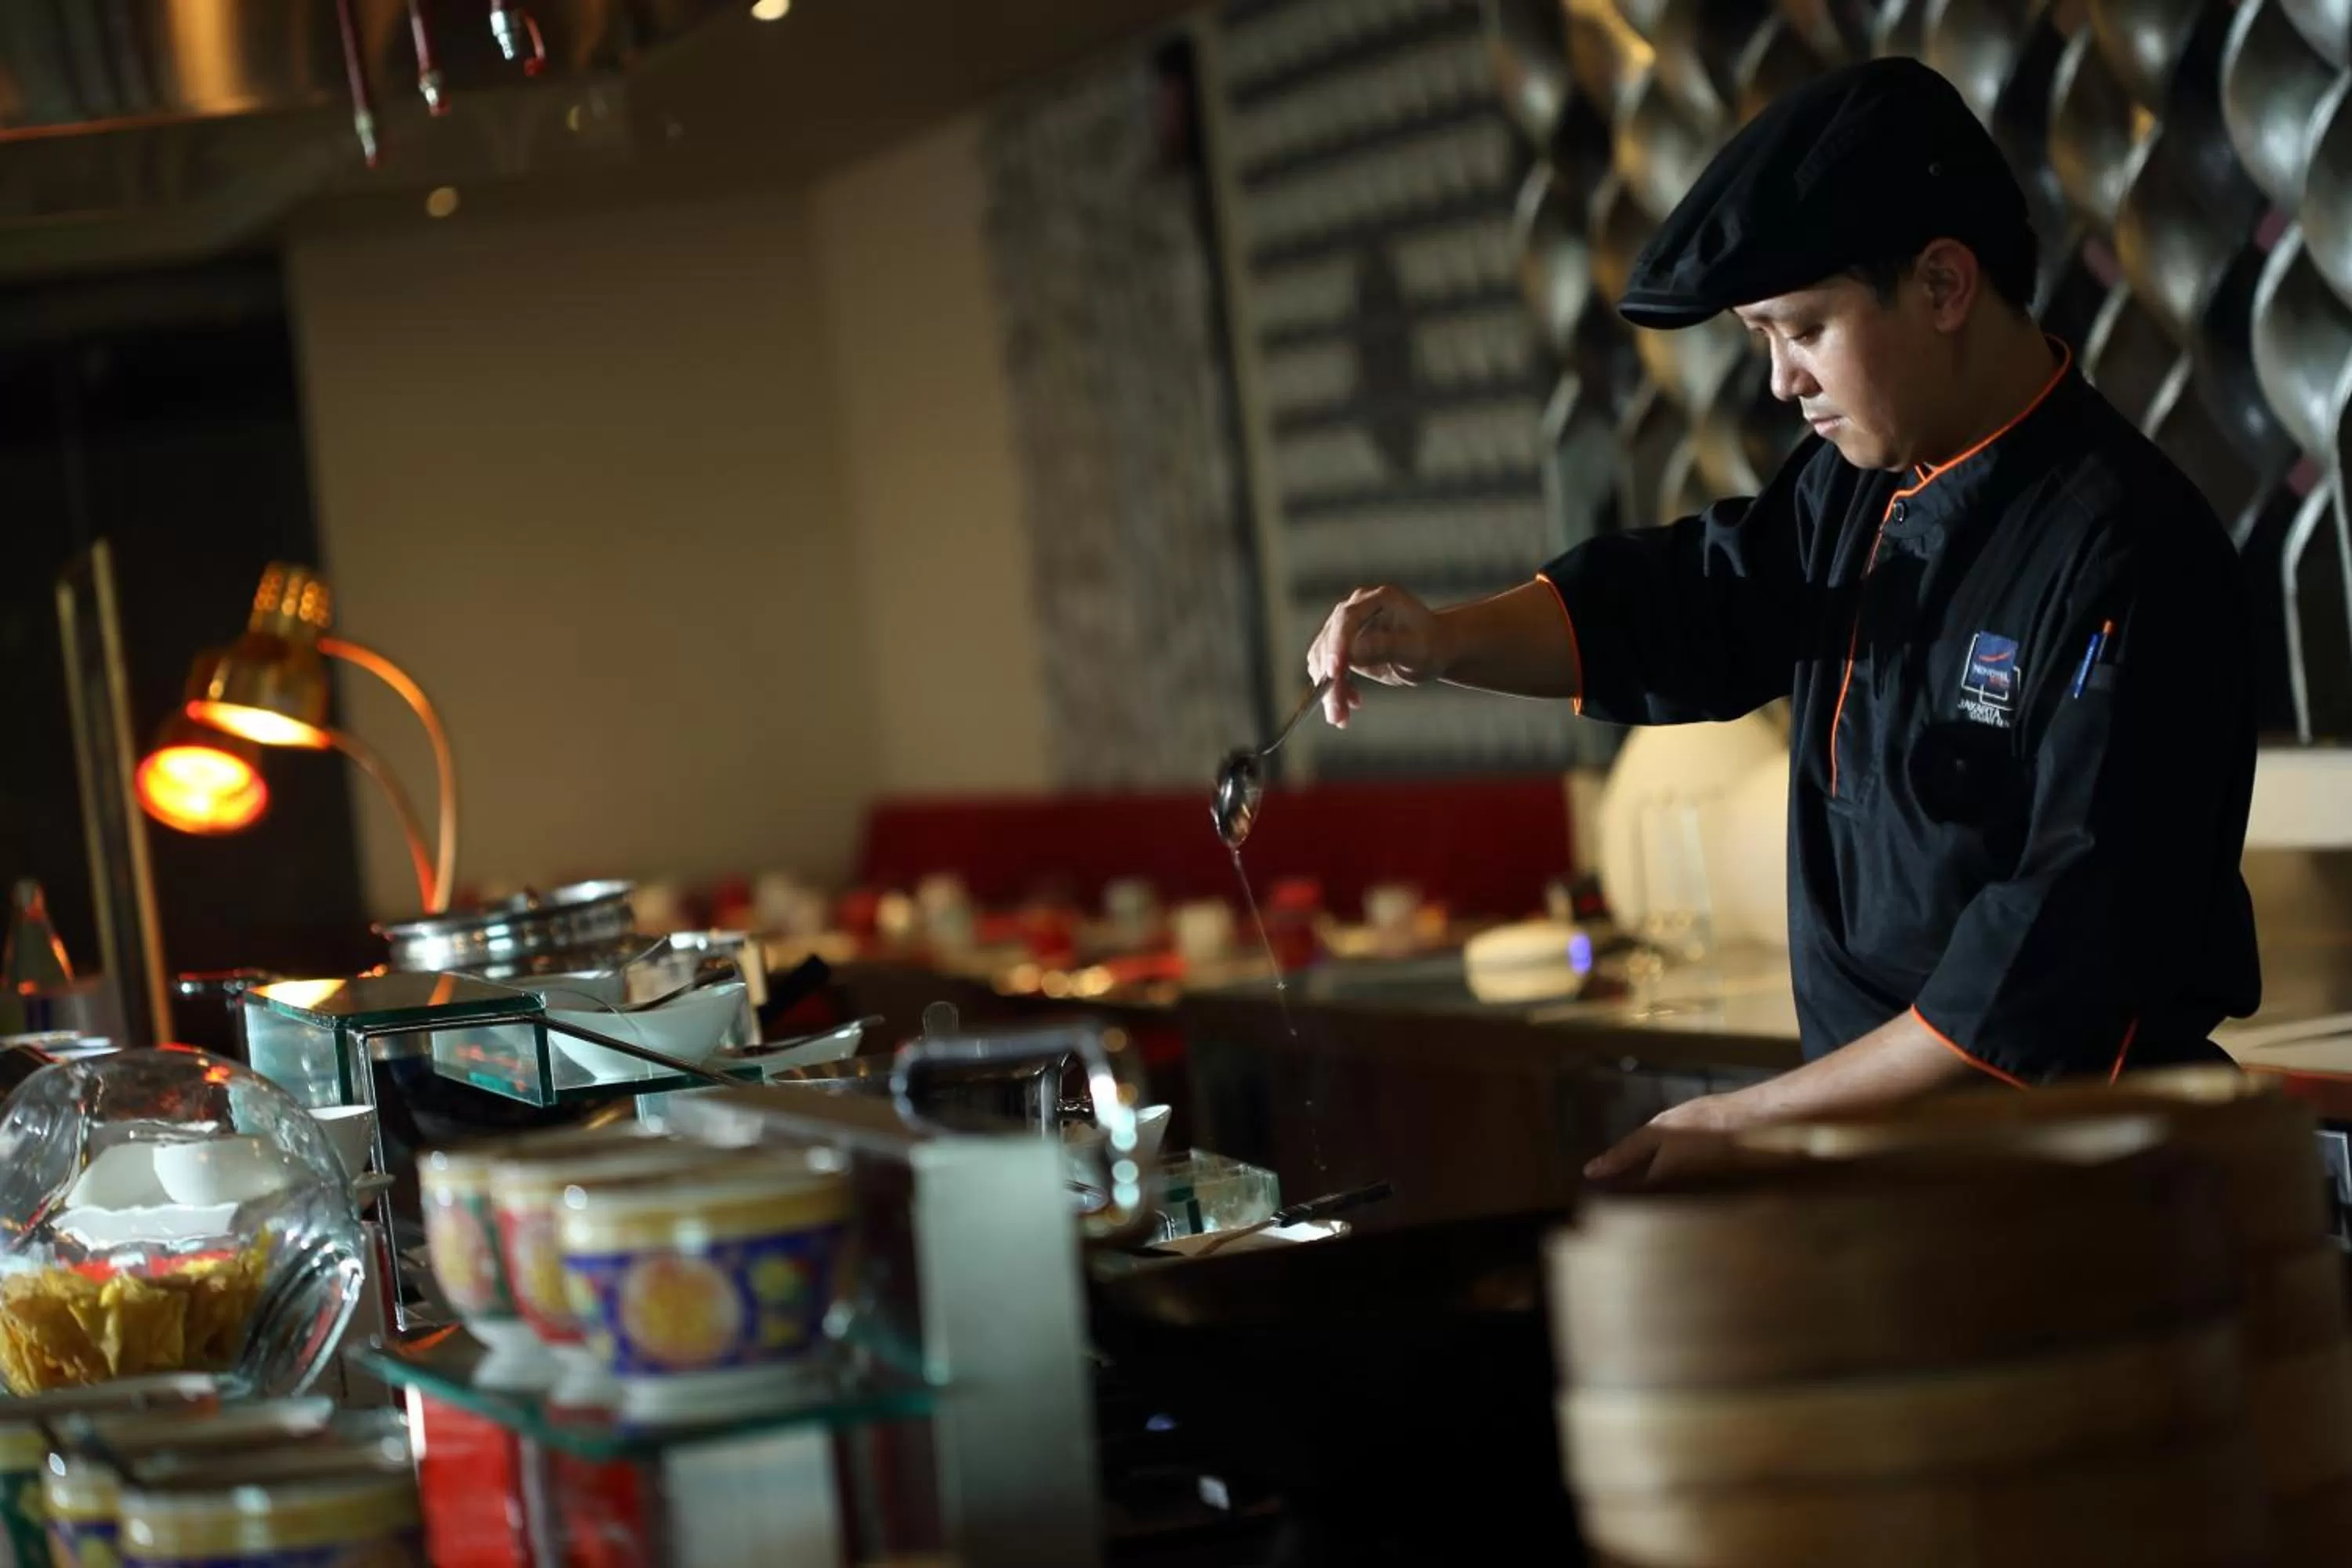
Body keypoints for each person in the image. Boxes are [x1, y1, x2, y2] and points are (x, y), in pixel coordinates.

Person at [1304, 56, 2260, 1183]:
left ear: (1945, 286)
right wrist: (1450, 638)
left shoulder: (2126, 547)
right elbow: (1686, 605)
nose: (1779, 383)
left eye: (1802, 329)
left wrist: (1745, 1121)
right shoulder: (1851, 484)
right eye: (1761, 339)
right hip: (1902, 1189)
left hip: (2089, 1197)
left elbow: (2049, 972)